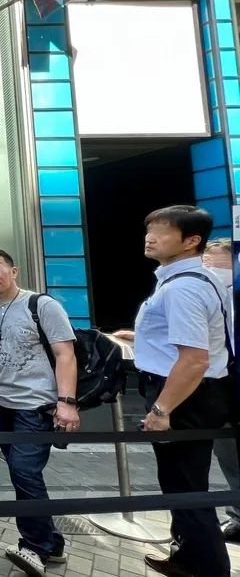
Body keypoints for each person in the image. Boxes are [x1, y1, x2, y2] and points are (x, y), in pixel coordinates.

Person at [113, 206, 234, 576]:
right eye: (149, 229)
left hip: (185, 396)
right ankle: (186, 559)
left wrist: (161, 411)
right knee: (182, 484)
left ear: (191, 241)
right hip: (197, 392)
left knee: (186, 489)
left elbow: (195, 359)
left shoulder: (183, 287)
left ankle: (208, 569)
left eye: (163, 231)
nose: (150, 237)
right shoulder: (198, 279)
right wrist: (144, 337)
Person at [0, 248, 78, 577]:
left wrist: (66, 402)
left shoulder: (42, 306)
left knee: (23, 470)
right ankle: (52, 543)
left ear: (14, 271)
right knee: (21, 472)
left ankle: (34, 545)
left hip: (36, 404)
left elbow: (65, 354)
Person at [203, 238, 240, 543]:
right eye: (207, 263)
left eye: (218, 264)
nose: (211, 269)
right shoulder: (207, 296)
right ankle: (238, 516)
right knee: (227, 454)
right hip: (220, 387)